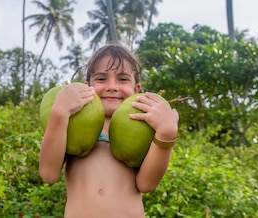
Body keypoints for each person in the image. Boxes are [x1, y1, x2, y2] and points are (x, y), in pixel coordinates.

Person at [38, 44, 179, 217]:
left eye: (123, 79)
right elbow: (48, 174)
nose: (112, 86)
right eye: (101, 79)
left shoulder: (143, 126)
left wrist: (166, 135)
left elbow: (146, 184)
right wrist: (60, 112)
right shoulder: (73, 123)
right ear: (85, 87)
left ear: (137, 90)